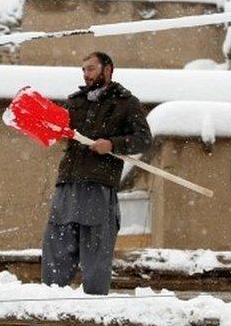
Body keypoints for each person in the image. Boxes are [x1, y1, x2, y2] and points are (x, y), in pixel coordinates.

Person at [41, 52, 152, 295]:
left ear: (108, 69)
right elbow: (58, 128)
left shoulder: (126, 103)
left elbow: (143, 140)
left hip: (99, 185)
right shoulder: (75, 102)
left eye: (91, 69)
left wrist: (112, 144)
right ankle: (49, 301)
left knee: (96, 252)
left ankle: (94, 306)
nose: (86, 74)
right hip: (67, 183)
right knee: (56, 248)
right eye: (83, 70)